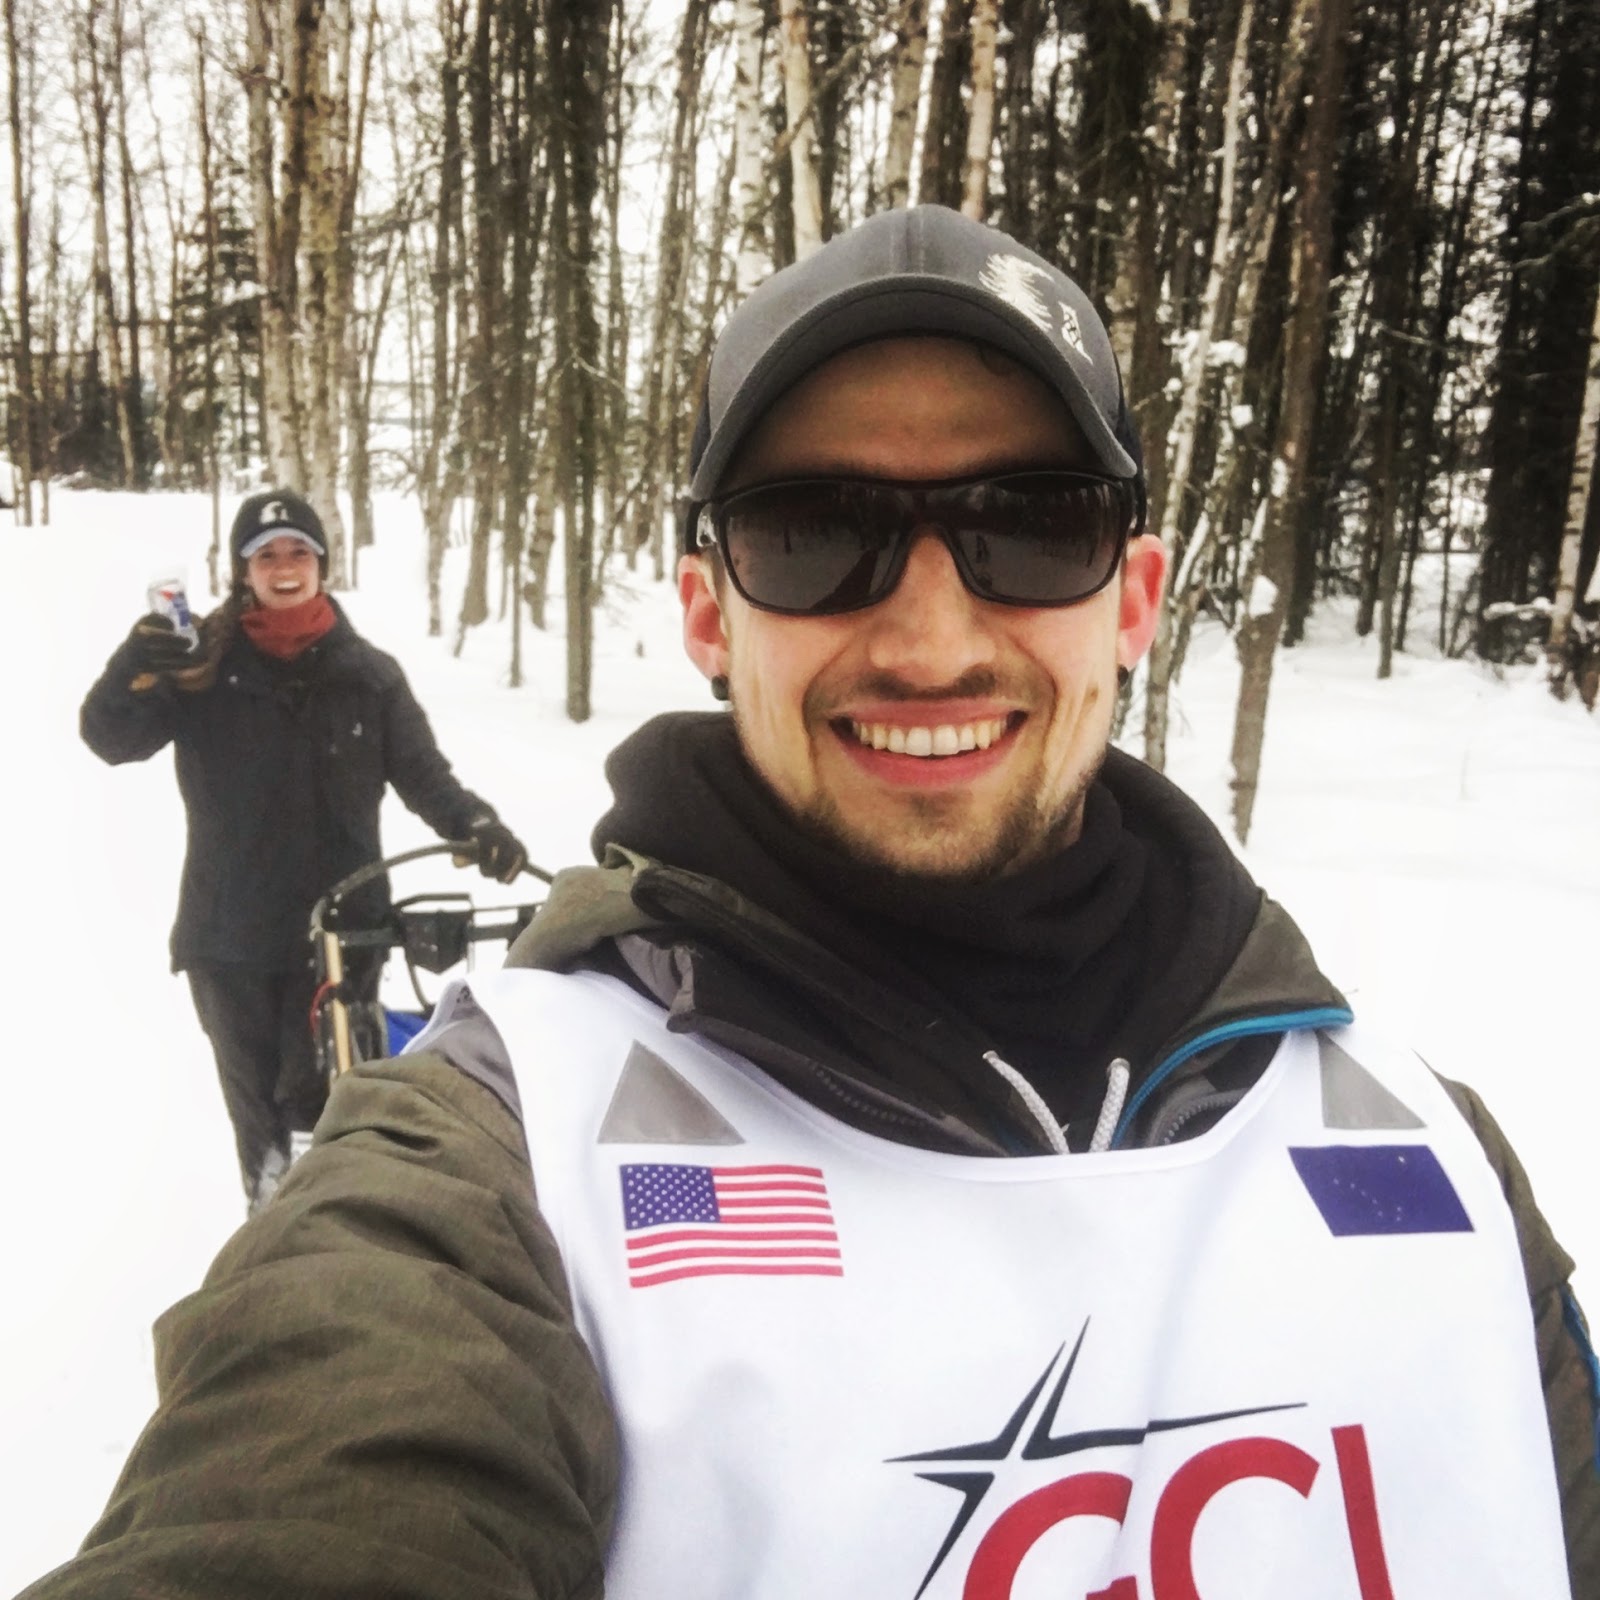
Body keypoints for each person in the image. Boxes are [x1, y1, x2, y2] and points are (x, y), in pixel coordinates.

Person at [32, 210, 1597, 1597]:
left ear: (1130, 598)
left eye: (1032, 525)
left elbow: (427, 773)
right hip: (232, 925)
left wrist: (484, 833)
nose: (927, 639)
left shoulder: (1431, 1160)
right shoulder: (517, 1158)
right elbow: (318, 1464)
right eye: (811, 533)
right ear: (711, 613)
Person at [79, 488, 530, 1214]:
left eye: (299, 552)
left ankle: (338, 1249)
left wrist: (476, 826)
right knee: (258, 1120)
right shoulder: (200, 671)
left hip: (341, 936)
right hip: (228, 939)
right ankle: (274, 1252)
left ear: (322, 563)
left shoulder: (369, 676)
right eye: (266, 555)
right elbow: (109, 738)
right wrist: (138, 661)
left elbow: (424, 776)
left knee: (320, 1108)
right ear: (242, 570)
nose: (284, 567)